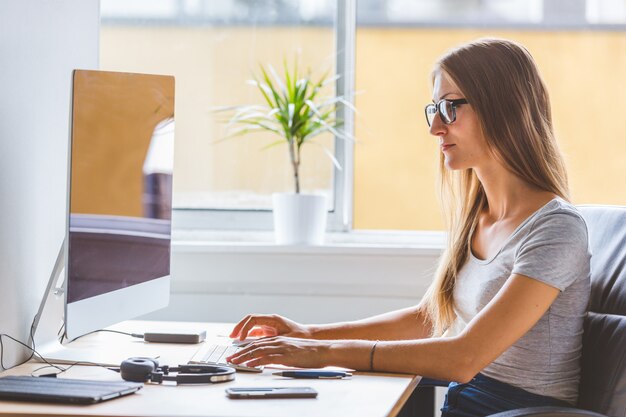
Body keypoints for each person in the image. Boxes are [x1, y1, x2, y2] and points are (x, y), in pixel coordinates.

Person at [226, 38, 591, 416]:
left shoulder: (555, 229)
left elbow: (464, 357)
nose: (435, 127)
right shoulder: (478, 217)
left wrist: (322, 353)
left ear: (504, 108)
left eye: (450, 107)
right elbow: (429, 318)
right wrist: (309, 333)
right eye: (434, 108)